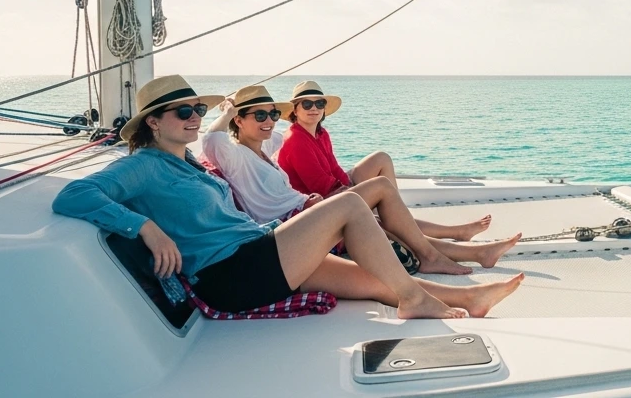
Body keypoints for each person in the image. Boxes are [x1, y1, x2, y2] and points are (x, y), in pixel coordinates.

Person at [52, 76, 522, 318]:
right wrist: (145, 228)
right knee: (352, 205)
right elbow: (74, 194)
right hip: (229, 272)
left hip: (254, 251)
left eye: (198, 109)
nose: (195, 117)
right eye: (183, 111)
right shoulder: (142, 166)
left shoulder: (184, 161)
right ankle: (417, 296)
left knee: (370, 276)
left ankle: (472, 298)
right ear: (153, 122)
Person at [201, 84, 518, 275]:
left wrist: (276, 118)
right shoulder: (236, 156)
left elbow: (285, 137)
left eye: (272, 114)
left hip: (306, 209)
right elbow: (211, 141)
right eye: (259, 115)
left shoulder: (264, 149)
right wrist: (229, 109)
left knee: (382, 202)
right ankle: (437, 255)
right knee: (380, 191)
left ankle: (472, 253)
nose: (269, 121)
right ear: (238, 121)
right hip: (292, 223)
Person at [277, 80, 487, 241]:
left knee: (381, 158)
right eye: (307, 103)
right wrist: (357, 191)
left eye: (319, 103)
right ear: (295, 109)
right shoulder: (296, 139)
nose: (313, 108)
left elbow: (334, 167)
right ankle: (452, 231)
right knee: (383, 195)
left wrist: (351, 185)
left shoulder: (320, 134)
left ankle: (397, 214)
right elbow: (319, 185)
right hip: (320, 202)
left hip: (334, 188)